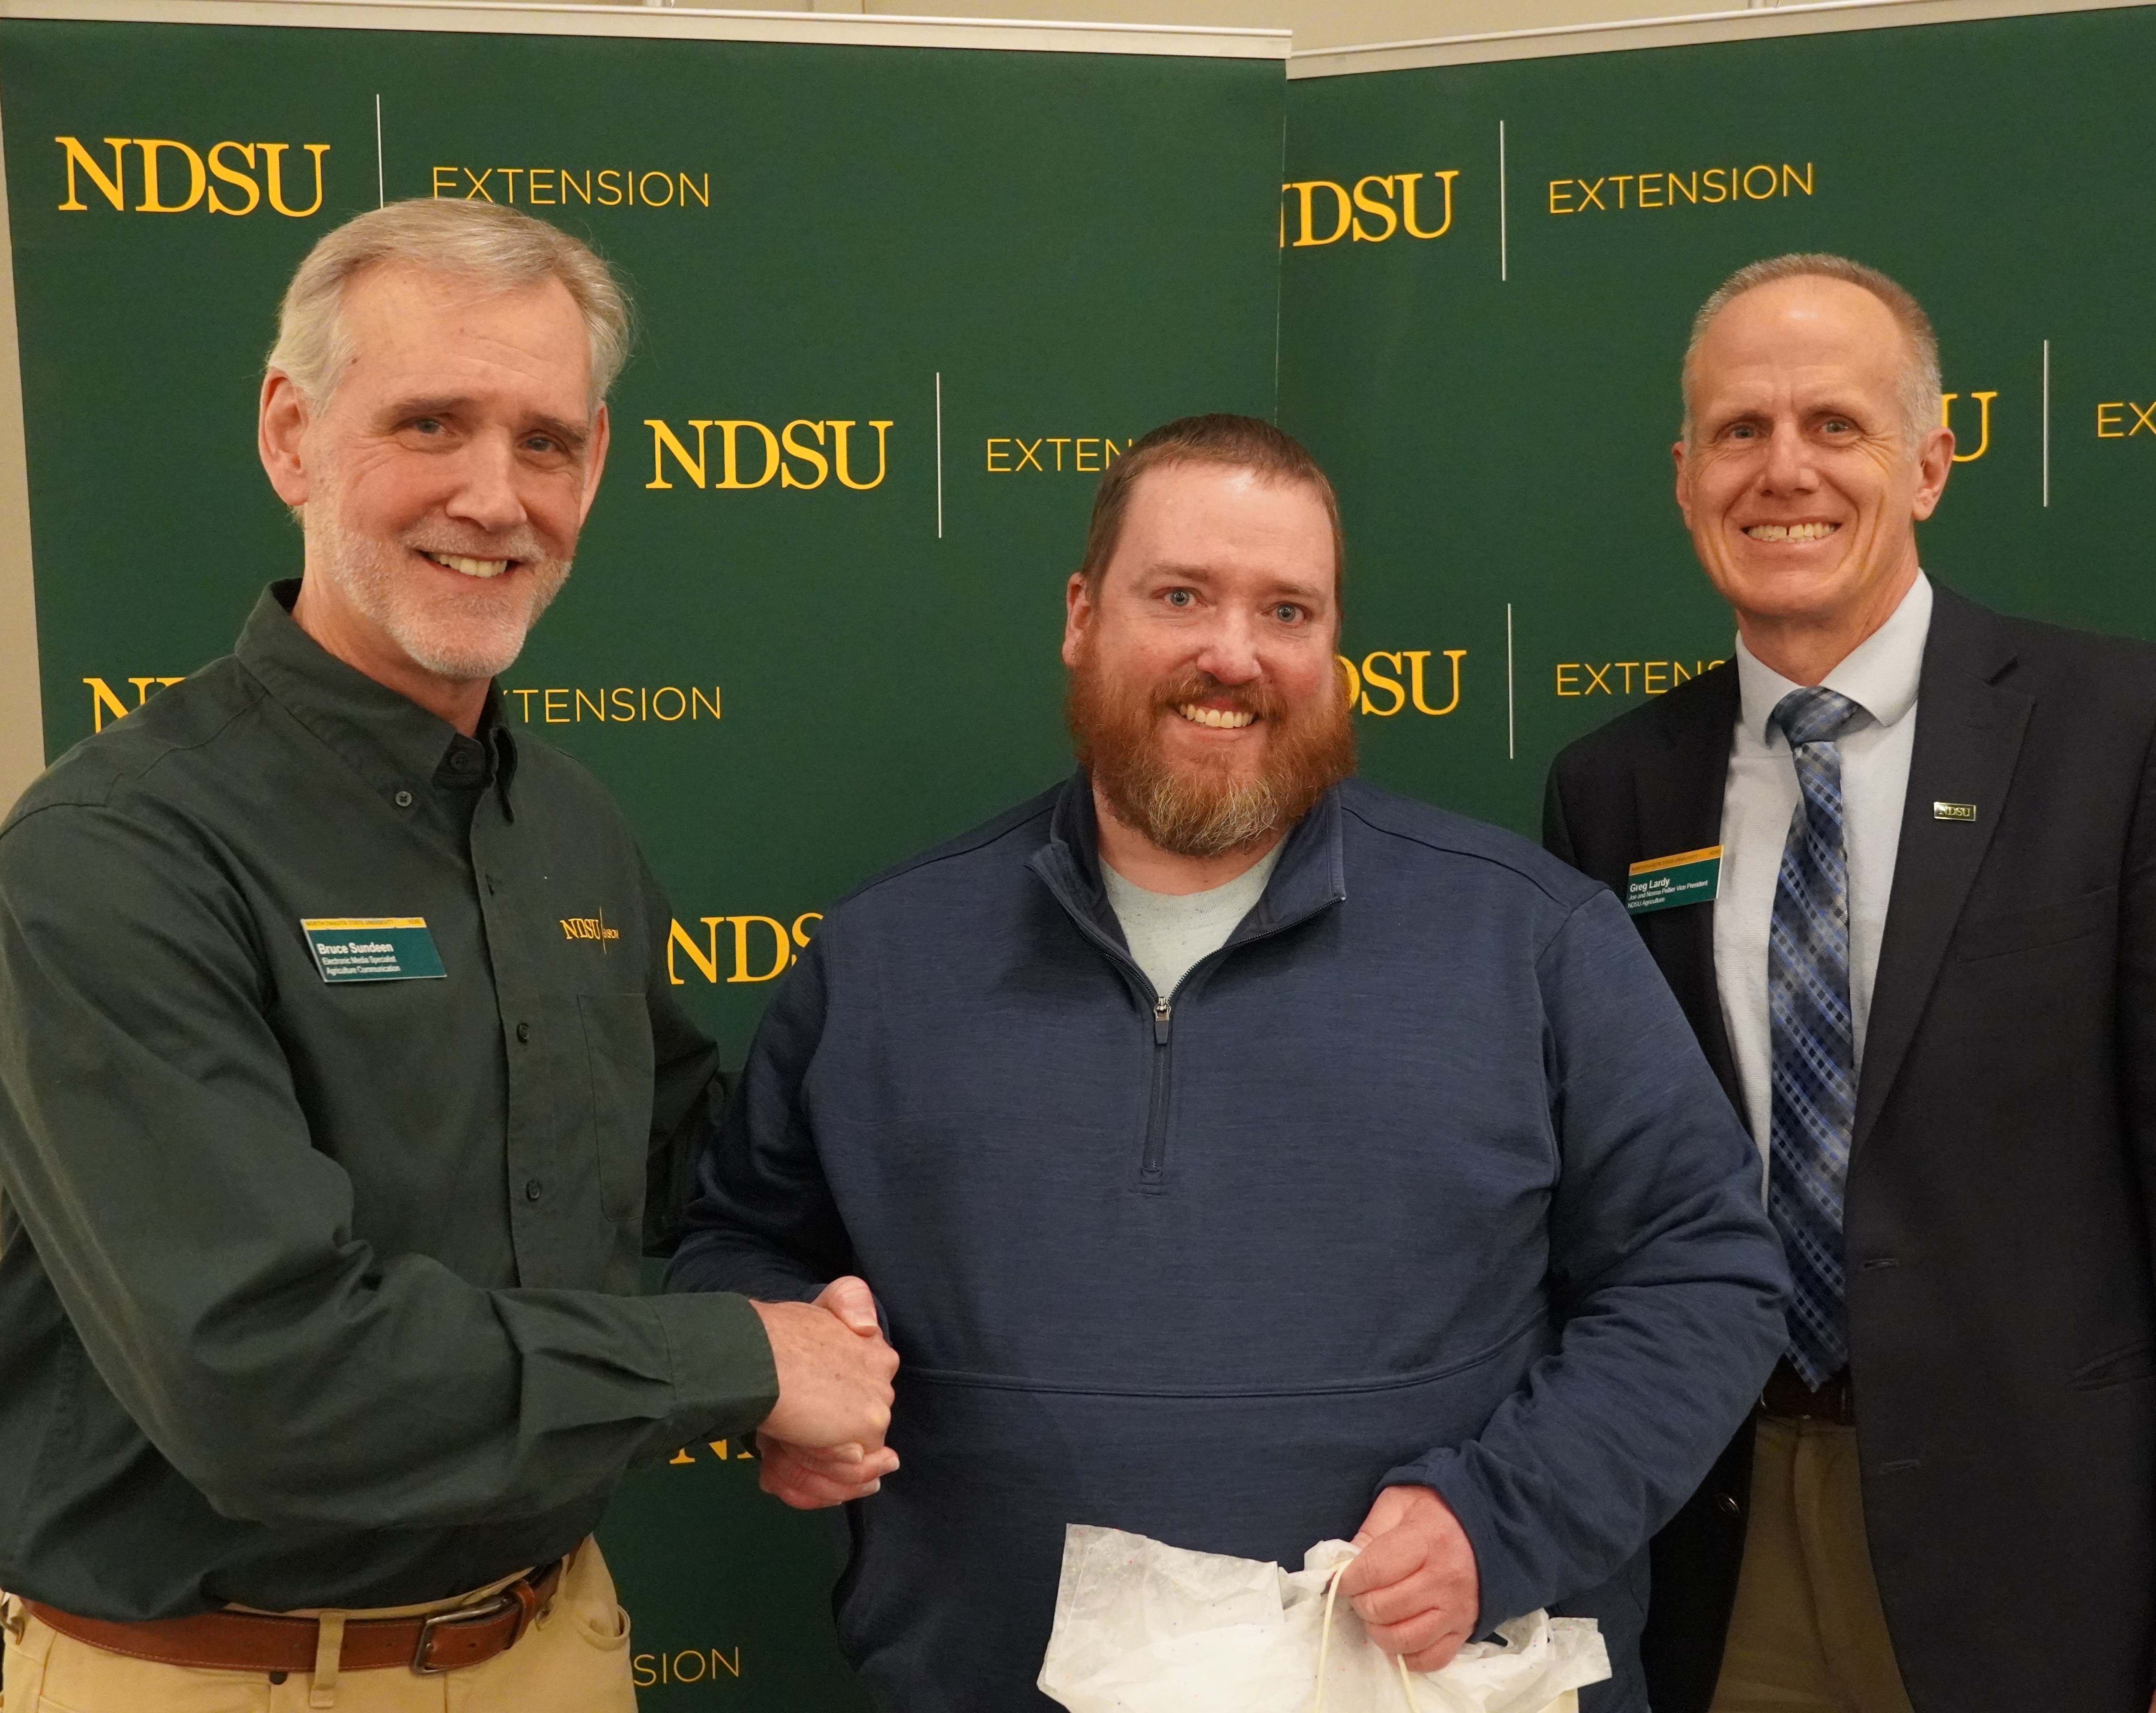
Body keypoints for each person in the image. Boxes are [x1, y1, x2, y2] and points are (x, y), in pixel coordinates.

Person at [670, 412, 1789, 1713]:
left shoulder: (1532, 942)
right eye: (1182, 596)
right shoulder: (883, 958)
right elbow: (739, 1245)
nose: (1233, 654)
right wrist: (779, 1370)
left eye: (1289, 611)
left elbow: (1703, 1276)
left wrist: (1504, 1521)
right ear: (1083, 617)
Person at [0, 200, 895, 1713]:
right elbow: (266, 1376)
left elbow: (689, 1161)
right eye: (431, 422)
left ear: (596, 466)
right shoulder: (114, 856)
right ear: (293, 436)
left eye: (545, 441)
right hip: (215, 1677)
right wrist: (741, 1364)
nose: (495, 496)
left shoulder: (570, 826)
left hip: (553, 1645)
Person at [1543, 254, 2156, 1713]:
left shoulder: (2128, 735)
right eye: (1740, 432)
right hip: (1716, 1553)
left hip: (2053, 1580)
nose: (1784, 471)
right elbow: (1602, 1226)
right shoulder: (1613, 792)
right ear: (1683, 478)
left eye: (1837, 425)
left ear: (1933, 463)